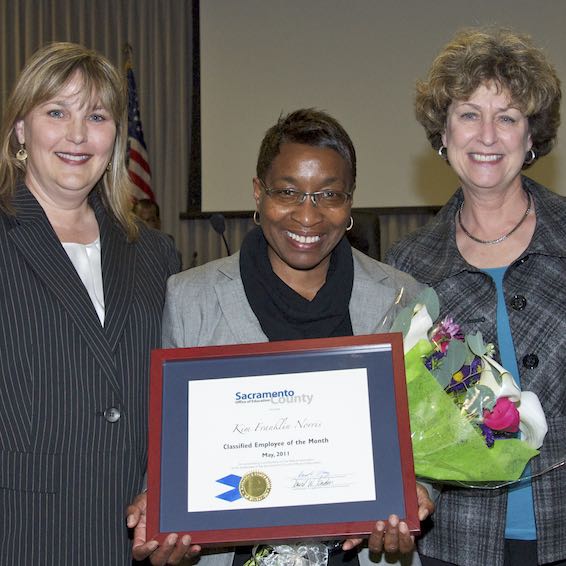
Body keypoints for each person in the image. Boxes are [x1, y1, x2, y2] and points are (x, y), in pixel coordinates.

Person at [127, 108, 435, 566]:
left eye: (329, 195)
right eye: (288, 192)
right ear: (258, 192)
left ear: (350, 202)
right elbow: (172, 440)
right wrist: (164, 503)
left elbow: (427, 436)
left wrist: (418, 492)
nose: (308, 215)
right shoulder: (191, 296)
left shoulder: (405, 297)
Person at [385, 27, 565, 566]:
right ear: (443, 133)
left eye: (507, 117)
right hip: (455, 542)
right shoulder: (409, 266)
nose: (487, 135)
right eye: (469, 114)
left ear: (531, 138)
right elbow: (404, 416)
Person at [0, 42, 180, 565]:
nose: (78, 135)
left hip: (135, 536)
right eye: (56, 112)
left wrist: (165, 491)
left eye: (96, 116)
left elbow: (170, 395)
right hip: (22, 535)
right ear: (20, 130)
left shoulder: (154, 253)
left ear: (114, 137)